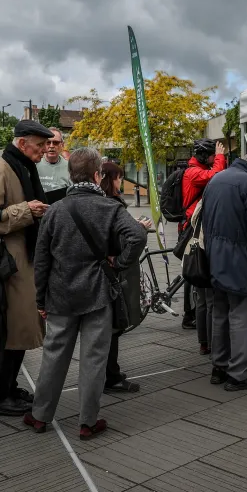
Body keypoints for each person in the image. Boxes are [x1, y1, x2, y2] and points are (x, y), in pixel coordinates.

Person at [23, 148, 147, 438]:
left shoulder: (54, 211)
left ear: (70, 175)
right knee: (94, 358)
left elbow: (42, 261)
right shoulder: (110, 208)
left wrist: (40, 299)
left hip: (60, 294)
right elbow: (137, 235)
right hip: (97, 293)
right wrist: (119, 262)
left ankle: (40, 416)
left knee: (53, 356)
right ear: (96, 175)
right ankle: (87, 422)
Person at [0, 120, 52, 416]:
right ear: (22, 144)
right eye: (40, 145)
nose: (45, 150)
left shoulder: (21, 167)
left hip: (19, 261)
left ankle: (7, 387)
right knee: (6, 329)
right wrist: (26, 210)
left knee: (17, 328)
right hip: (5, 265)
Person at [200, 151, 247, 391]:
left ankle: (219, 366)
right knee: (241, 316)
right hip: (239, 258)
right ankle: (239, 373)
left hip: (215, 256)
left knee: (220, 312)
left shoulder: (217, 179)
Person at [99, 161, 152, 393]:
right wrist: (137, 229)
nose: (121, 182)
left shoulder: (101, 202)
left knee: (111, 325)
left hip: (104, 271)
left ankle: (110, 372)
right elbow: (131, 238)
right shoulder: (111, 204)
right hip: (113, 272)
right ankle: (110, 376)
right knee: (114, 324)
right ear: (109, 179)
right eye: (118, 178)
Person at [180, 138, 227, 353]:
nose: (212, 160)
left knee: (201, 291)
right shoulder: (193, 172)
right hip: (196, 233)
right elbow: (216, 176)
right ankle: (206, 342)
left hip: (197, 231)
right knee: (203, 293)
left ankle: (205, 341)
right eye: (210, 156)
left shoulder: (195, 169)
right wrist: (220, 158)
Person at [37, 127, 71, 196]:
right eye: (48, 142)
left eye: (55, 143)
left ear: (62, 145)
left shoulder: (70, 168)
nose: (51, 146)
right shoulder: (34, 165)